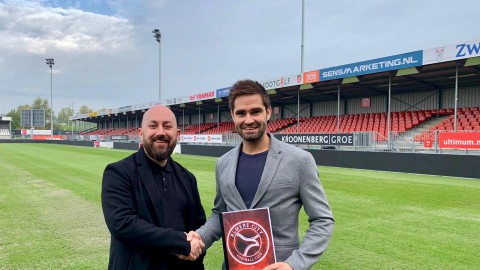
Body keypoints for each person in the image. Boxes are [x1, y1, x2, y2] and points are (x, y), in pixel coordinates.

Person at [189, 79, 334, 270]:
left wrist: (294, 264)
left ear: (268, 112)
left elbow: (322, 220)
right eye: (241, 113)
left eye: (255, 111)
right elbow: (220, 213)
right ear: (232, 115)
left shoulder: (300, 160)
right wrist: (201, 236)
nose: (248, 120)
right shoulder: (223, 163)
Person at [101, 105, 206, 270]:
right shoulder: (118, 172)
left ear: (177, 134)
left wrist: (196, 245)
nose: (161, 132)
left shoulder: (187, 178)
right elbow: (123, 224)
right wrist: (180, 243)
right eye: (153, 125)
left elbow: (198, 227)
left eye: (167, 126)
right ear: (141, 134)